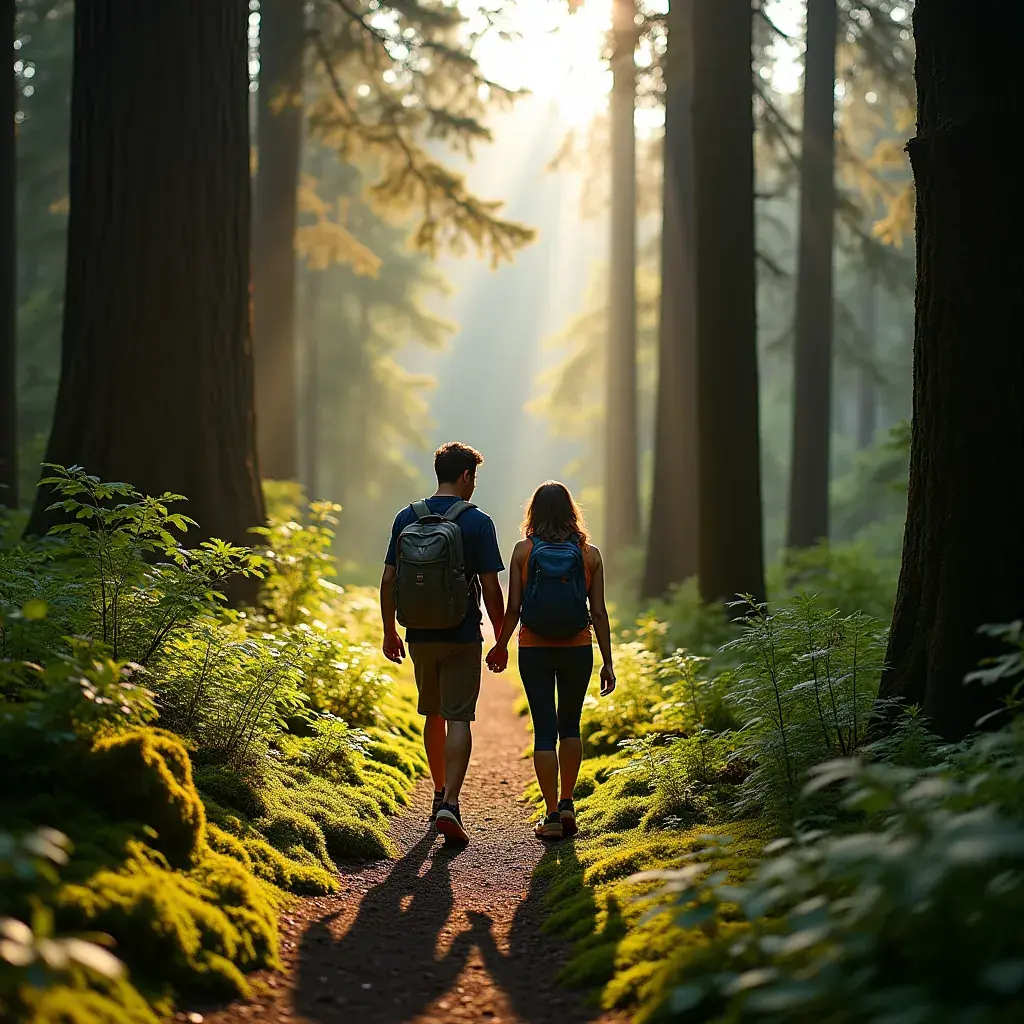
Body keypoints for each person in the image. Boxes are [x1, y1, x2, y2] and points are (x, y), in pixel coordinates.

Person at [380, 442, 505, 845]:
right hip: (462, 635)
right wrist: (501, 639)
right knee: (458, 717)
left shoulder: (406, 516)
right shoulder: (478, 522)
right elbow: (490, 588)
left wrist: (389, 631)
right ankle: (452, 801)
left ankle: (436, 795)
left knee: (431, 713)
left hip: (418, 634)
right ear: (466, 476)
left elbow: (387, 581)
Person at [486, 481, 615, 840]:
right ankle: (570, 801)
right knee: (570, 726)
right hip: (578, 647)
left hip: (534, 647)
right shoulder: (590, 554)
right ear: (572, 511)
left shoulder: (523, 552)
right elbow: (599, 612)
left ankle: (552, 814)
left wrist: (500, 646)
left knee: (544, 730)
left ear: (534, 513)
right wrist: (607, 661)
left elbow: (513, 608)